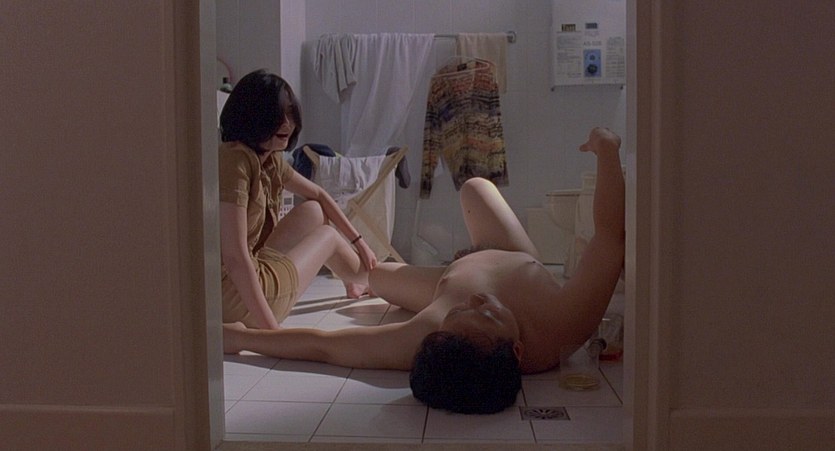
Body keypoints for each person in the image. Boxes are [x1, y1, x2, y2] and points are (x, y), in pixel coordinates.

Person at [223, 127, 625, 414]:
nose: (476, 299)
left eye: (459, 311)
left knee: (376, 275)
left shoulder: (432, 334)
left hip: (449, 278)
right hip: (514, 255)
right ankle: (348, 261)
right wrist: (607, 149)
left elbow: (328, 347)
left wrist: (243, 337)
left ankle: (350, 267)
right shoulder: (565, 325)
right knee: (475, 188)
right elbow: (611, 236)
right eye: (487, 313)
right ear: (517, 351)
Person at [219, 69, 376, 331]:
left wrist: (360, 242)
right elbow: (234, 257)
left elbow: (320, 195)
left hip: (248, 274)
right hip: (235, 296)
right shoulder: (235, 160)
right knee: (329, 236)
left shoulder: (268, 158)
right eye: (277, 116)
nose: (288, 124)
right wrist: (272, 333)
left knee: (314, 210)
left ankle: (356, 279)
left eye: (291, 114)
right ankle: (372, 279)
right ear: (253, 117)